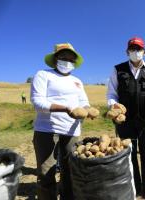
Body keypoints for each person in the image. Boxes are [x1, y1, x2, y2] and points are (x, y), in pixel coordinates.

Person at [31, 43, 97, 200]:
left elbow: (83, 101)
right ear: (55, 60)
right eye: (63, 58)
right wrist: (66, 108)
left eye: (70, 59)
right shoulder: (43, 75)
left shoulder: (77, 81)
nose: (67, 61)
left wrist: (89, 109)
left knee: (70, 171)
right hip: (47, 130)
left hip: (72, 130)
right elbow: (37, 102)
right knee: (46, 172)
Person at [107, 37, 145, 200]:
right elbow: (112, 93)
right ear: (127, 52)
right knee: (128, 154)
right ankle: (134, 186)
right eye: (132, 49)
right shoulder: (118, 69)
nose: (135, 51)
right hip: (125, 121)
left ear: (144, 52)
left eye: (138, 49)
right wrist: (113, 107)